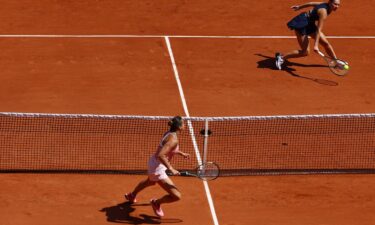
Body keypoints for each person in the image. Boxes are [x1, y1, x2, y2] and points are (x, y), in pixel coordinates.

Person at [124, 116, 190, 217]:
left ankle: (131, 195)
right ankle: (156, 203)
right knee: (177, 196)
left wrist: (181, 153)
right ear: (179, 127)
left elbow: (167, 148)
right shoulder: (173, 139)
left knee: (149, 182)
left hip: (154, 163)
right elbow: (161, 155)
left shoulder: (169, 133)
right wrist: (171, 169)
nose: (185, 125)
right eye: (183, 123)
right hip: (157, 168)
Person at [275, 0, 341, 70]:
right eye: (335, 4)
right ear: (330, 2)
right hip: (302, 23)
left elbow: (311, 3)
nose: (336, 7)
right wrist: (316, 45)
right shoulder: (323, 12)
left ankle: (336, 61)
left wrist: (299, 7)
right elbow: (319, 30)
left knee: (326, 43)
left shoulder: (325, 4)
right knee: (305, 52)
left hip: (310, 23)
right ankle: (281, 57)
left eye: (338, 5)